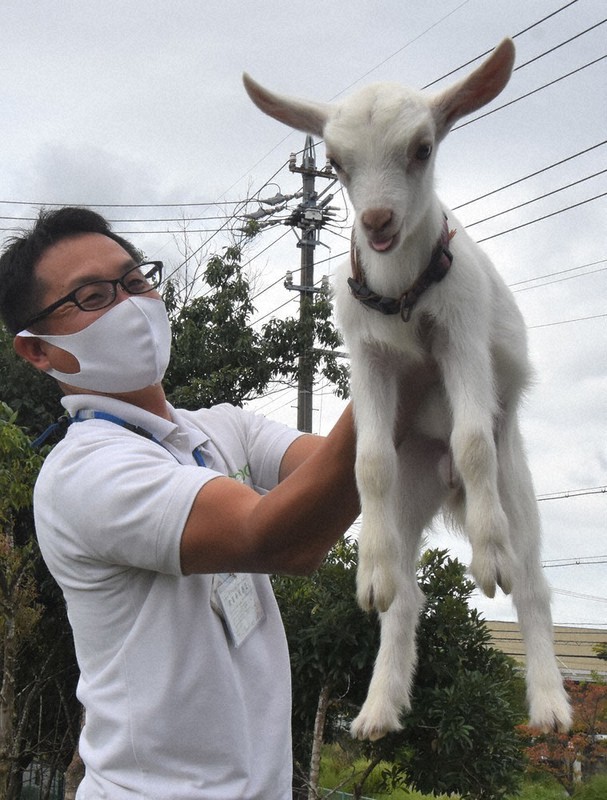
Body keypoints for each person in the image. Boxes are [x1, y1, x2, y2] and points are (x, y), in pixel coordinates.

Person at [0, 207, 360, 800]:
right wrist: (391, 358)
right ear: (38, 351)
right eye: (93, 297)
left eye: (135, 281)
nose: (131, 305)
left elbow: (345, 470)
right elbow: (278, 538)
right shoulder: (86, 471)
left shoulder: (217, 429)